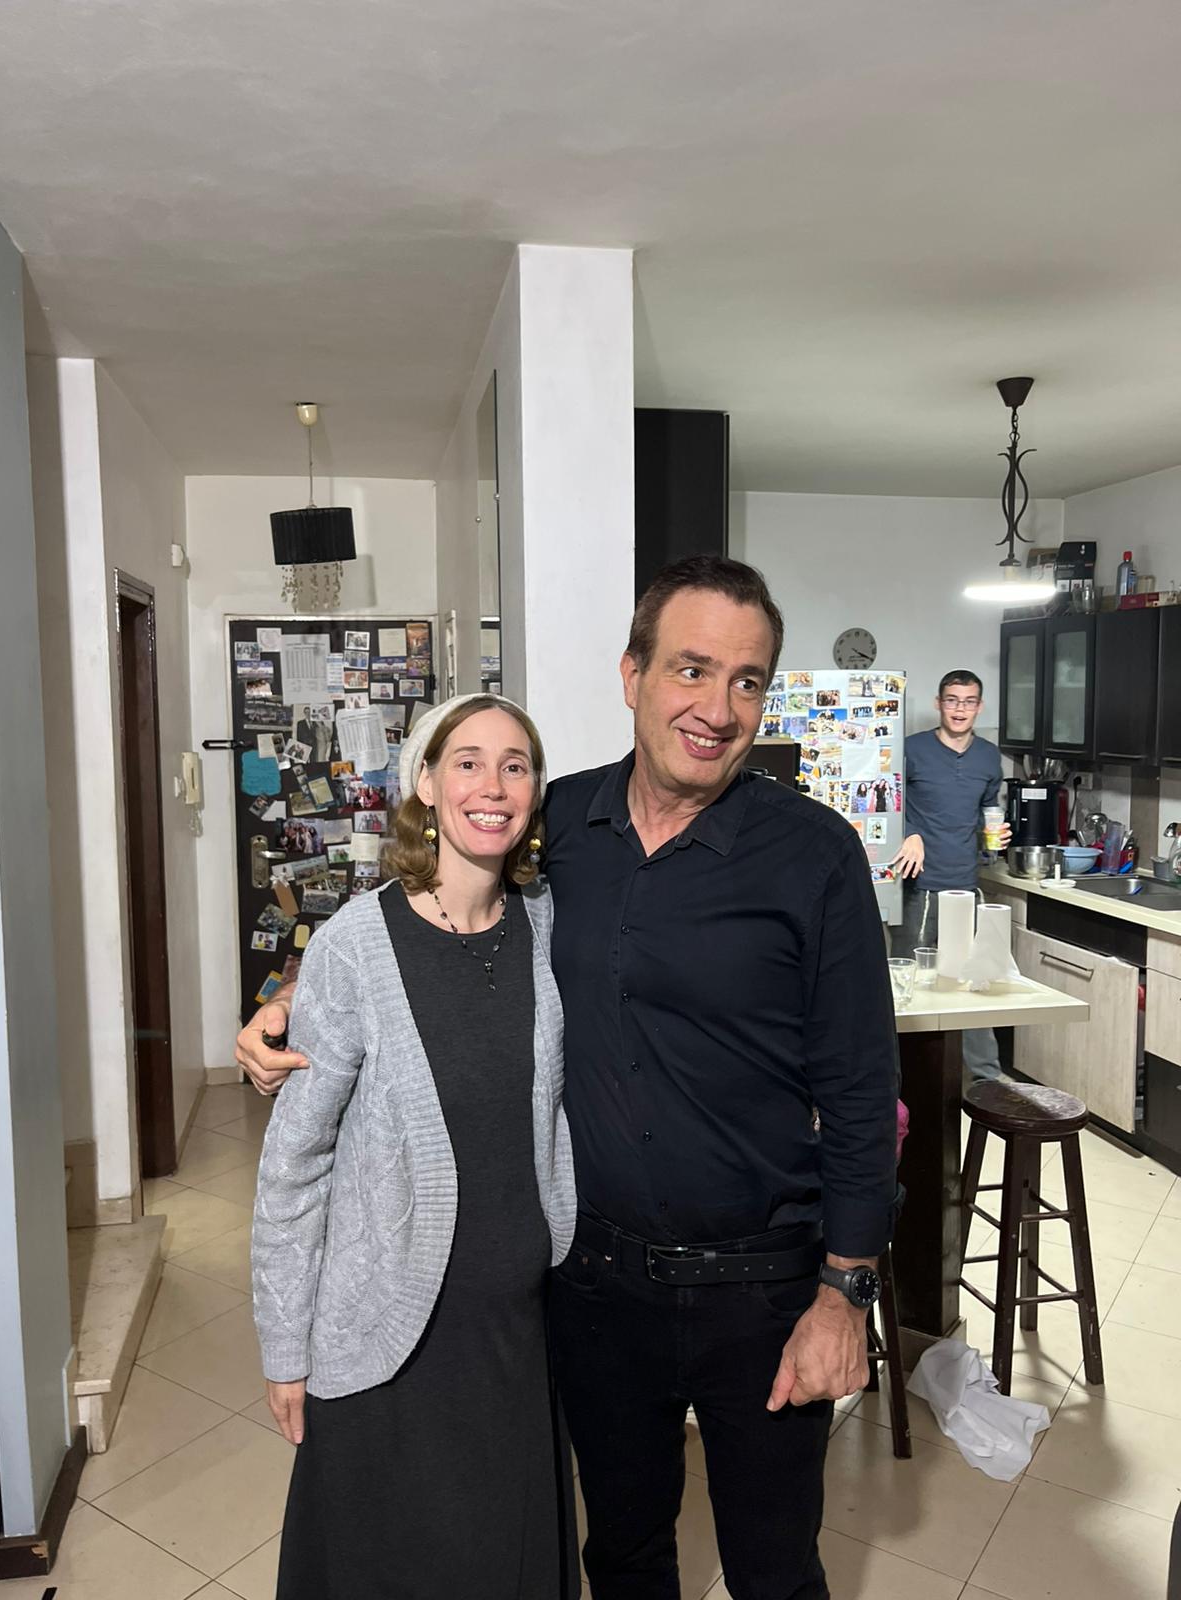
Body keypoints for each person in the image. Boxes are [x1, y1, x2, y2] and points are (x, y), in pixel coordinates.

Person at [240, 557, 898, 1600]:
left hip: (763, 1291)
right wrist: (290, 996)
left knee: (776, 1571)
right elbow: (429, 912)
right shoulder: (562, 832)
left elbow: (862, 1087)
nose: (717, 709)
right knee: (623, 1555)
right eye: (691, 669)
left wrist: (845, 1292)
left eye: (747, 681)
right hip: (597, 1289)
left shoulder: (814, 854)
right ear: (632, 674)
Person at [251, 693, 578, 1600]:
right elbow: (295, 1163)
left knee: (503, 1563)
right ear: (426, 785)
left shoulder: (549, 922)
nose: (493, 786)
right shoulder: (356, 946)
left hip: (516, 1335)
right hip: (389, 1333)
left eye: (516, 765)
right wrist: (285, 1346)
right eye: (467, 762)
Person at [891, 668, 1011, 1082]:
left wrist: (996, 835)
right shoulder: (911, 749)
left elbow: (986, 810)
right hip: (920, 886)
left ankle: (987, 1080)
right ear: (938, 704)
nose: (960, 709)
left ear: (979, 706)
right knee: (909, 986)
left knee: (976, 983)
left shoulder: (988, 756)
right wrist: (910, 833)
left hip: (967, 885)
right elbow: (889, 804)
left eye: (969, 701)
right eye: (952, 700)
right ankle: (901, 1081)